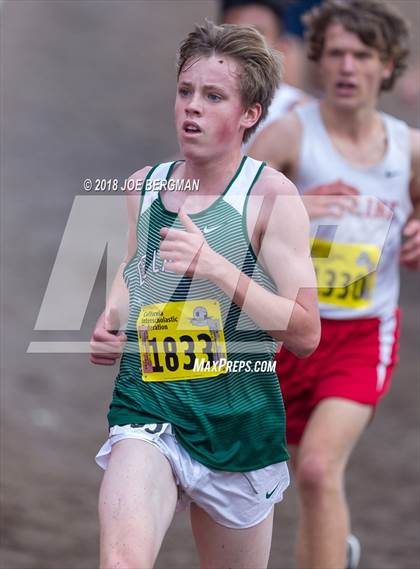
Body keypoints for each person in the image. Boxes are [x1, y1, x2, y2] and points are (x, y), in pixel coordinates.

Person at [90, 20, 320, 569]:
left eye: (214, 96)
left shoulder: (271, 196)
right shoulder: (144, 185)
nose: (192, 107)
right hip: (149, 411)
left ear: (249, 115)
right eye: (186, 91)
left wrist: (219, 270)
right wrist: (114, 317)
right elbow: (133, 267)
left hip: (238, 426)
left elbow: (306, 332)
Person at [249, 1, 420, 568]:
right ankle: (334, 551)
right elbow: (224, 221)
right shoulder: (289, 137)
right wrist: (295, 206)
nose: (348, 67)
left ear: (387, 65)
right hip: (284, 334)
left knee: (321, 469)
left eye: (363, 55)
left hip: (362, 335)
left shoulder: (408, 149)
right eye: (337, 53)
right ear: (320, 60)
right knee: (282, 476)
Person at [222, 0, 311, 149]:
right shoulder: (200, 105)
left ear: (282, 48)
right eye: (235, 34)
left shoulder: (302, 114)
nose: (244, 45)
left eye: (257, 34)